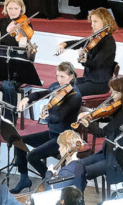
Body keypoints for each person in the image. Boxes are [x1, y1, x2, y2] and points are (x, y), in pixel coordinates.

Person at [9, 62, 83, 193]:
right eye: (57, 76)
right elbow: (40, 94)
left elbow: (58, 117)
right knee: (18, 141)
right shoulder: (57, 88)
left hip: (63, 138)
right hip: (52, 133)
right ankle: (24, 178)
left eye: (62, 76)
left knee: (32, 156)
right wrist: (27, 98)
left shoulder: (75, 96)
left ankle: (51, 181)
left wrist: (46, 114)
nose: (59, 80)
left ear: (71, 77)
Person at [76, 76, 123, 187]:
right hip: (107, 151)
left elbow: (102, 132)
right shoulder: (120, 107)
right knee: (78, 165)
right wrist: (91, 115)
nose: (111, 95)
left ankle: (79, 202)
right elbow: (108, 117)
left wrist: (88, 124)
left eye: (115, 92)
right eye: (111, 91)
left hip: (118, 158)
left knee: (82, 173)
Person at [61, 7, 118, 96]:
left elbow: (96, 64)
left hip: (99, 83)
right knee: (56, 87)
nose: (92, 25)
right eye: (91, 22)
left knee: (67, 92)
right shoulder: (95, 38)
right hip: (88, 79)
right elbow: (80, 42)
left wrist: (85, 61)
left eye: (95, 21)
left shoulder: (108, 42)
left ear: (105, 22)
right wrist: (64, 44)